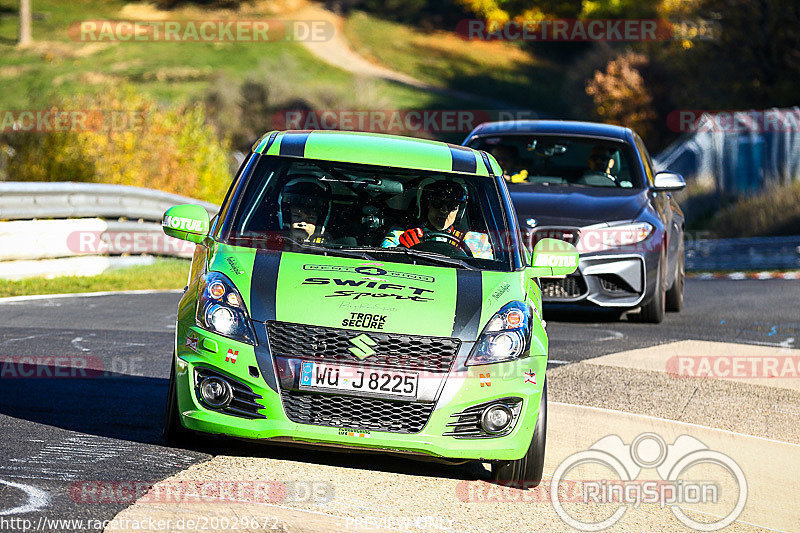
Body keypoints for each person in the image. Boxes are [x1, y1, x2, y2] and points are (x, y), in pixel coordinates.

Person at [382, 179, 493, 259]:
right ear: (426, 206)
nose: (444, 211)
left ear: (459, 211)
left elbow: (488, 274)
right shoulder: (401, 235)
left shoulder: (475, 241)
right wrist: (400, 249)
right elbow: (383, 261)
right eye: (437, 203)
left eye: (452, 206)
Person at [278, 178, 332, 244]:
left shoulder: (328, 248)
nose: (302, 224)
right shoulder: (270, 243)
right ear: (287, 218)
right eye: (297, 216)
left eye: (310, 218)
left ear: (319, 223)